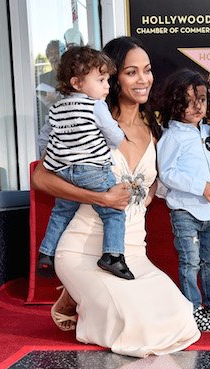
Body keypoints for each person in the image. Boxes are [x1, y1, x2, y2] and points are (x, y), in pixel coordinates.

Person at [31, 36, 200, 358]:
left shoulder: (156, 128)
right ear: (111, 76)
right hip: (82, 249)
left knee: (181, 317)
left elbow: (161, 183)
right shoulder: (87, 120)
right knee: (138, 326)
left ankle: (80, 300)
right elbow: (41, 177)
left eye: (147, 70)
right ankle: (79, 293)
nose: (143, 79)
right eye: (131, 72)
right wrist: (101, 199)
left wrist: (147, 193)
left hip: (133, 253)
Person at [156, 68, 210, 332]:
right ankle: (192, 310)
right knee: (190, 263)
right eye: (188, 101)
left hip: (209, 213)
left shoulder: (207, 132)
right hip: (185, 212)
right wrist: (200, 186)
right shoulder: (172, 136)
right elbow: (166, 173)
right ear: (174, 103)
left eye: (202, 100)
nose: (197, 107)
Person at [37, 46, 134, 281]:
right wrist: (116, 141)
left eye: (107, 80)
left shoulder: (56, 108)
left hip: (63, 172)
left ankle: (47, 253)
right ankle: (113, 255)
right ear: (77, 83)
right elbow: (113, 134)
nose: (107, 86)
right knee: (113, 211)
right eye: (100, 80)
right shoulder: (95, 106)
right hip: (93, 170)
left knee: (61, 211)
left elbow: (43, 139)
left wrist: (55, 159)